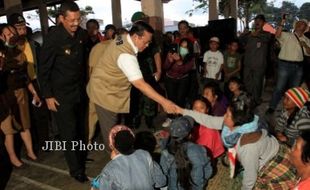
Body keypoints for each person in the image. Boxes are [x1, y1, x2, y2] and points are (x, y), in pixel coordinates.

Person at [87, 21, 177, 151]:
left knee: (114, 127)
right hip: (105, 94)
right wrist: (164, 102)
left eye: (149, 42)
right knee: (111, 134)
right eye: (145, 42)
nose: (147, 46)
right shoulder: (126, 56)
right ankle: (115, 160)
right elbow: (140, 84)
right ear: (136, 37)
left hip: (102, 86)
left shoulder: (122, 39)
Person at [176, 96, 297, 190]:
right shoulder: (243, 123)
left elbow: (250, 178)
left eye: (227, 115)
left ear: (237, 121)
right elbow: (209, 120)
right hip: (261, 153)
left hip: (272, 161)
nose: (224, 117)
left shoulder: (248, 146)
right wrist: (182, 111)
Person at [38, 1, 88, 182]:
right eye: (71, 20)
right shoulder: (53, 38)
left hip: (79, 92)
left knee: (81, 130)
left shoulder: (81, 35)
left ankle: (80, 158)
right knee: (69, 133)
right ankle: (76, 170)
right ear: (61, 18)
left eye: (78, 19)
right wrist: (48, 95)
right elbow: (43, 70)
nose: (76, 23)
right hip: (61, 96)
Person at [8, 12, 49, 152]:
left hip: (35, 82)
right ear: (12, 29)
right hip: (20, 85)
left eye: (23, 26)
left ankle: (44, 143)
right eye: (18, 27)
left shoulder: (32, 43)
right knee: (26, 118)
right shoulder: (10, 49)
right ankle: (32, 145)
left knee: (41, 114)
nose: (22, 29)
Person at [1, 24, 38, 167]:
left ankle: (30, 151)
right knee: (8, 129)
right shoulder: (1, 54)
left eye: (12, 33)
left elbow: (25, 77)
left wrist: (34, 93)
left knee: (24, 124)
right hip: (5, 95)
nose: (12, 35)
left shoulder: (19, 52)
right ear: (1, 36)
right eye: (8, 34)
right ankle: (13, 157)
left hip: (20, 92)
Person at [91, 125, 166, 190]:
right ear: (132, 142)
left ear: (113, 146)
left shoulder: (109, 170)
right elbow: (161, 181)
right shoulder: (145, 155)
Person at [267, 19, 310, 114]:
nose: (300, 25)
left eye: (303, 24)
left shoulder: (306, 40)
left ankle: (291, 109)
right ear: (295, 26)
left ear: (305, 28)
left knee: (294, 89)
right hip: (284, 65)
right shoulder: (288, 35)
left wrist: (305, 46)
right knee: (279, 87)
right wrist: (281, 23)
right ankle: (272, 107)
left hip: (298, 67)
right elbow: (277, 35)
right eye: (299, 24)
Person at [160, 116, 213, 190]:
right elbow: (208, 171)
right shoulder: (199, 149)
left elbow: (163, 175)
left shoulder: (165, 152)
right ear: (190, 135)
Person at [162, 38, 194, 127]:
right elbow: (165, 67)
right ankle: (170, 117)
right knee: (171, 99)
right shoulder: (172, 53)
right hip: (170, 79)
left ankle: (179, 119)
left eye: (185, 47)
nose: (183, 49)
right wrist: (169, 61)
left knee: (180, 100)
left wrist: (179, 62)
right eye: (181, 46)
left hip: (183, 79)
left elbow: (184, 70)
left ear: (189, 49)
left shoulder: (191, 58)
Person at [240, 14, 272, 106]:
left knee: (257, 84)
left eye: (260, 21)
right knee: (247, 83)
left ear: (264, 23)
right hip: (248, 63)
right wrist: (243, 33)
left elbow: (267, 39)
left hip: (259, 64)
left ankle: (256, 100)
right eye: (256, 20)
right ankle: (248, 99)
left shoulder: (267, 34)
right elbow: (240, 40)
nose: (257, 22)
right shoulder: (249, 34)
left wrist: (256, 34)